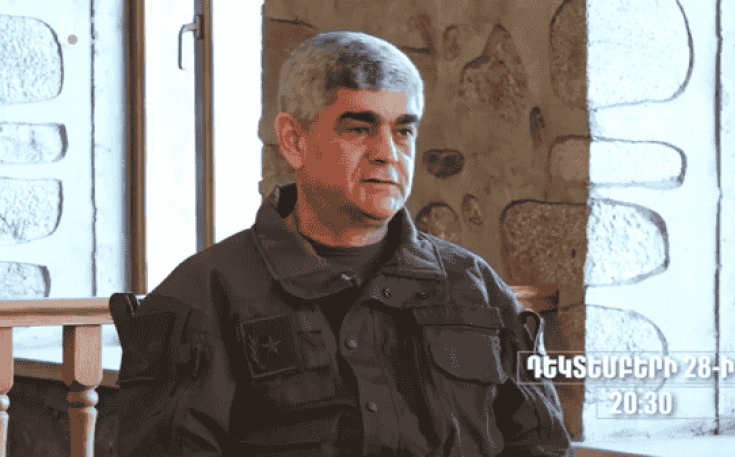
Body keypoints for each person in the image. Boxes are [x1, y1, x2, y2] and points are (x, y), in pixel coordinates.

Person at [111, 30, 573, 457]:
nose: (388, 153)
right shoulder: (202, 297)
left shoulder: (474, 286)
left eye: (403, 131)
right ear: (294, 141)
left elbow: (543, 445)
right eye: (358, 128)